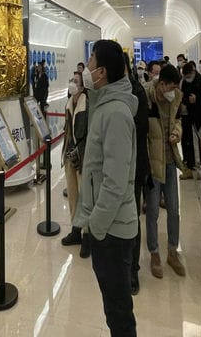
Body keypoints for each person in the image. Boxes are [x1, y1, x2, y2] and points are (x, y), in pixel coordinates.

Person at [73, 40, 138, 336]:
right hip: (106, 226)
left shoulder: (116, 114)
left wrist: (96, 226)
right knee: (114, 307)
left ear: (102, 72)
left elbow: (115, 181)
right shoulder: (103, 106)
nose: (86, 68)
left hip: (112, 229)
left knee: (119, 311)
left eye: (91, 62)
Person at [144, 64, 187, 279]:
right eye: (170, 87)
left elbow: (178, 120)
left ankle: (172, 251)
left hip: (170, 160)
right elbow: (142, 130)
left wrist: (177, 133)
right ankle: (154, 253)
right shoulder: (147, 97)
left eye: (175, 88)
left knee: (174, 208)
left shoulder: (176, 97)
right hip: (153, 162)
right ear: (161, 84)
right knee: (152, 210)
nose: (173, 91)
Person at [124, 53, 149, 296]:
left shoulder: (136, 93)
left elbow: (139, 132)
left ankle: (133, 270)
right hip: (116, 167)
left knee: (131, 218)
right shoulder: (108, 92)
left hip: (133, 166)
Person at [61, 71, 90, 260]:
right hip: (69, 155)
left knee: (84, 196)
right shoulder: (69, 102)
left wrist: (79, 152)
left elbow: (87, 133)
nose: (72, 83)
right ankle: (75, 230)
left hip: (83, 157)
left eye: (76, 81)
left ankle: (87, 235)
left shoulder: (88, 104)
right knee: (73, 195)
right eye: (71, 80)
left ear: (82, 86)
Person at [179, 61, 201, 180]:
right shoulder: (184, 82)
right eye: (186, 77)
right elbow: (183, 97)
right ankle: (189, 167)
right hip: (188, 117)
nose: (187, 79)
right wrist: (187, 101)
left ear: (193, 72)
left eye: (189, 76)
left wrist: (197, 99)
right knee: (187, 143)